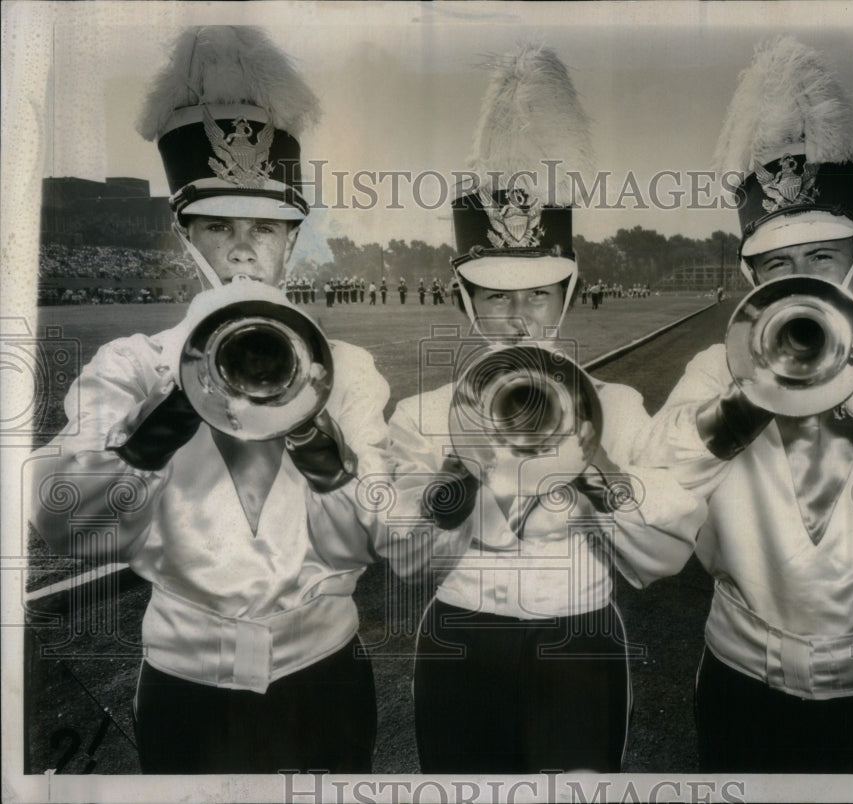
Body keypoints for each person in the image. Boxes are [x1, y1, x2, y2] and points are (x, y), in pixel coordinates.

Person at [29, 26, 388, 774]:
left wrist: (311, 425)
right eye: (220, 227)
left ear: (293, 239)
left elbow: (363, 544)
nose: (246, 249)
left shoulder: (347, 371)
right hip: (186, 688)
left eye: (266, 226)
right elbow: (60, 521)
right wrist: (174, 406)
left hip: (323, 679)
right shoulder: (130, 365)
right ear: (185, 238)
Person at [639, 36, 853, 774]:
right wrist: (749, 395)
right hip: (738, 675)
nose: (798, 279)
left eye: (821, 257)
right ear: (749, 271)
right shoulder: (711, 370)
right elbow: (653, 493)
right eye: (777, 263)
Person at [384, 44, 705, 775]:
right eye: (497, 295)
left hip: (583, 636)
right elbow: (405, 559)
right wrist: (458, 462)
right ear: (466, 300)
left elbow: (663, 558)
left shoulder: (617, 406)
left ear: (567, 292)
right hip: (462, 636)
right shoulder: (420, 413)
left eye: (539, 293)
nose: (520, 315)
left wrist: (593, 459)